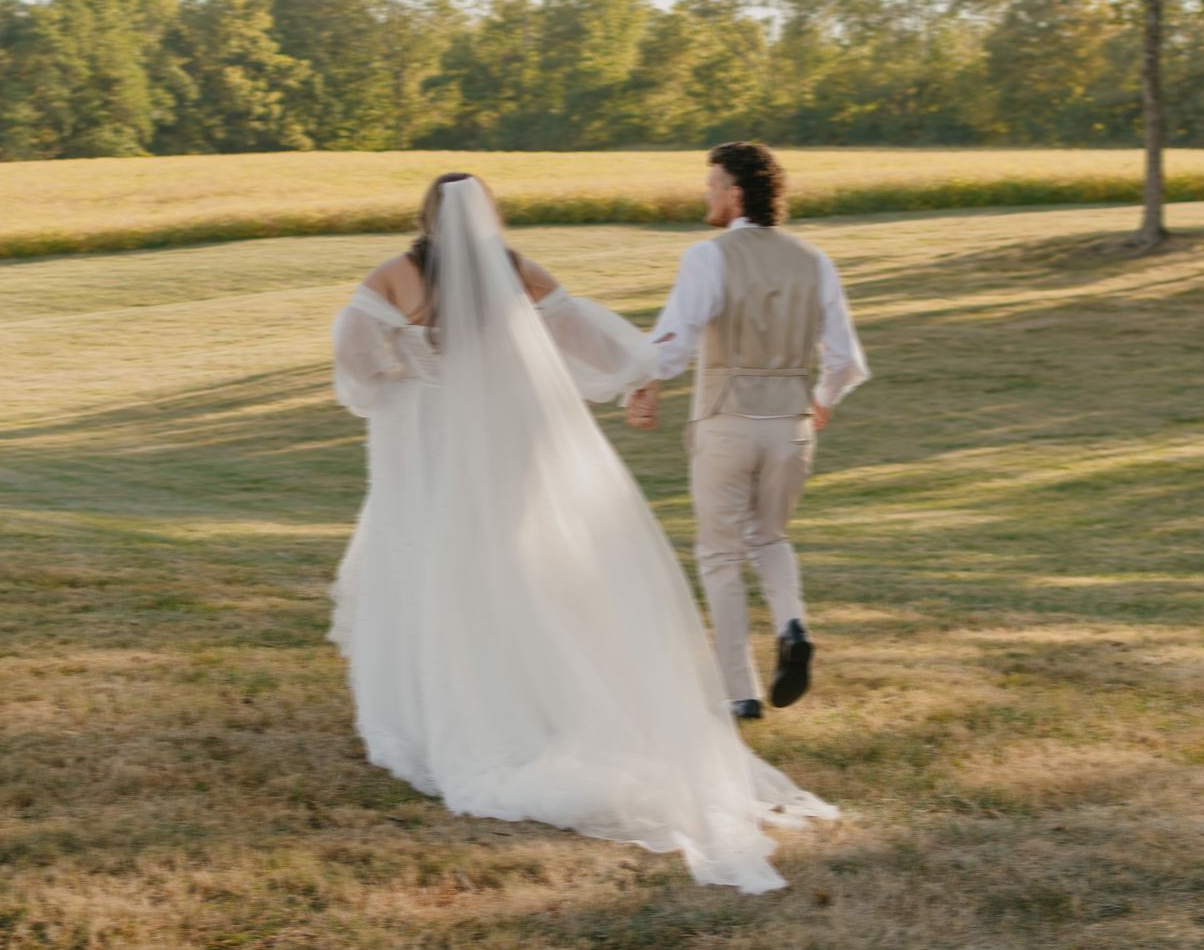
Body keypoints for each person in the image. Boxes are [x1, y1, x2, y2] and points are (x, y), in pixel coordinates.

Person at [328, 172, 837, 894]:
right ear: (490, 218)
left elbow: (351, 349)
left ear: (425, 218)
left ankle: (452, 706)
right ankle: (535, 698)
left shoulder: (397, 275)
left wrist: (401, 372)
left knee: (438, 564)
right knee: (516, 564)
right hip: (508, 445)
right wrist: (642, 368)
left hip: (434, 445)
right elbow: (584, 332)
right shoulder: (516, 272)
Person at [626, 142, 870, 720]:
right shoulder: (815, 262)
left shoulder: (708, 257)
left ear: (735, 193)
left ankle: (741, 691)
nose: (705, 195)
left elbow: (676, 341)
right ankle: (792, 624)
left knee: (720, 554)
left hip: (726, 422)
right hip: (791, 425)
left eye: (712, 184)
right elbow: (845, 359)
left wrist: (641, 382)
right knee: (770, 538)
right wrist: (822, 402)